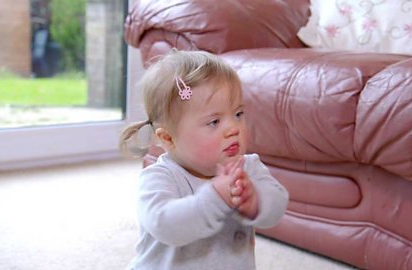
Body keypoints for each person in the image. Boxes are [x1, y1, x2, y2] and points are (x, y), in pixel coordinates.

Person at [119, 49, 288, 270]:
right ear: (169, 138)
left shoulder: (248, 167)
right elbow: (165, 225)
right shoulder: (159, 178)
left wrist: (256, 202)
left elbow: (277, 205)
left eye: (238, 114)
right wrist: (215, 198)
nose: (233, 128)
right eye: (214, 122)